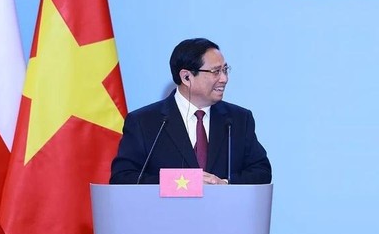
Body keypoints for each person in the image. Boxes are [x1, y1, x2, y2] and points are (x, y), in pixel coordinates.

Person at [110, 38, 271, 185]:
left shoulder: (238, 119)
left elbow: (261, 171)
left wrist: (224, 184)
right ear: (186, 77)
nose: (224, 79)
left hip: (222, 215)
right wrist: (183, 184)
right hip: (166, 215)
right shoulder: (144, 122)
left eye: (225, 70)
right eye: (216, 71)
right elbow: (123, 178)